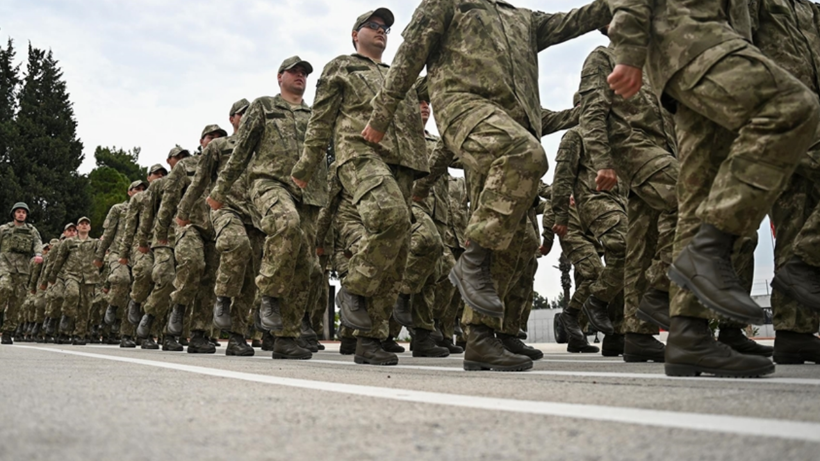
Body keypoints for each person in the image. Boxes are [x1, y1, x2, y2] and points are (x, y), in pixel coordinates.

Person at [363, 0, 612, 371]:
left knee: (519, 241)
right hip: (464, 108)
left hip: (508, 130)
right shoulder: (450, 5)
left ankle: (481, 336)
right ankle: (472, 261)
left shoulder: (523, 18)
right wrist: (382, 116)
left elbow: (576, 20)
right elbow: (409, 55)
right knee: (528, 153)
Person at [608, 0, 820, 377]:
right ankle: (709, 250)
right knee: (793, 105)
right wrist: (628, 49)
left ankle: (688, 335)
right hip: (694, 41)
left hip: (710, 48)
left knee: (699, 194)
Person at [291, 9, 429, 366]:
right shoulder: (342, 67)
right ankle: (353, 287)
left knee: (398, 250)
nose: (381, 32)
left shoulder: (400, 75)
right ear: (356, 34)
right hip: (359, 153)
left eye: (385, 29)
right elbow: (320, 121)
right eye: (374, 26)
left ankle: (371, 337)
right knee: (391, 218)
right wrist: (307, 166)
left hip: (403, 161)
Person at [182, 99, 261, 358]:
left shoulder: (262, 146)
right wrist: (183, 212)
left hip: (257, 216)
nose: (248, 116)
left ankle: (237, 336)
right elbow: (200, 181)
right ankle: (205, 323)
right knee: (219, 266)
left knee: (250, 279)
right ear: (233, 119)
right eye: (243, 113)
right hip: (224, 211)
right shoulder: (219, 147)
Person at [47, 217, 100, 345]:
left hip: (89, 277)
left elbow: (103, 256)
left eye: (87, 224)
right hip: (72, 274)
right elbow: (59, 259)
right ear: (77, 227)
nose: (84, 226)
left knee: (85, 306)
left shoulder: (95, 243)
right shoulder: (68, 243)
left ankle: (79, 334)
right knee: (72, 294)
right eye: (81, 224)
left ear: (90, 228)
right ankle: (64, 327)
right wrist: (52, 276)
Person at [0, 202, 44, 345]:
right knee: (4, 288)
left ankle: (7, 331)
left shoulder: (31, 231)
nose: (21, 214)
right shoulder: (4, 229)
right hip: (4, 265)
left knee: (16, 301)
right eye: (18, 211)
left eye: (23, 212)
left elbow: (38, 243)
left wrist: (38, 254)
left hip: (23, 269)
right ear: (14, 213)